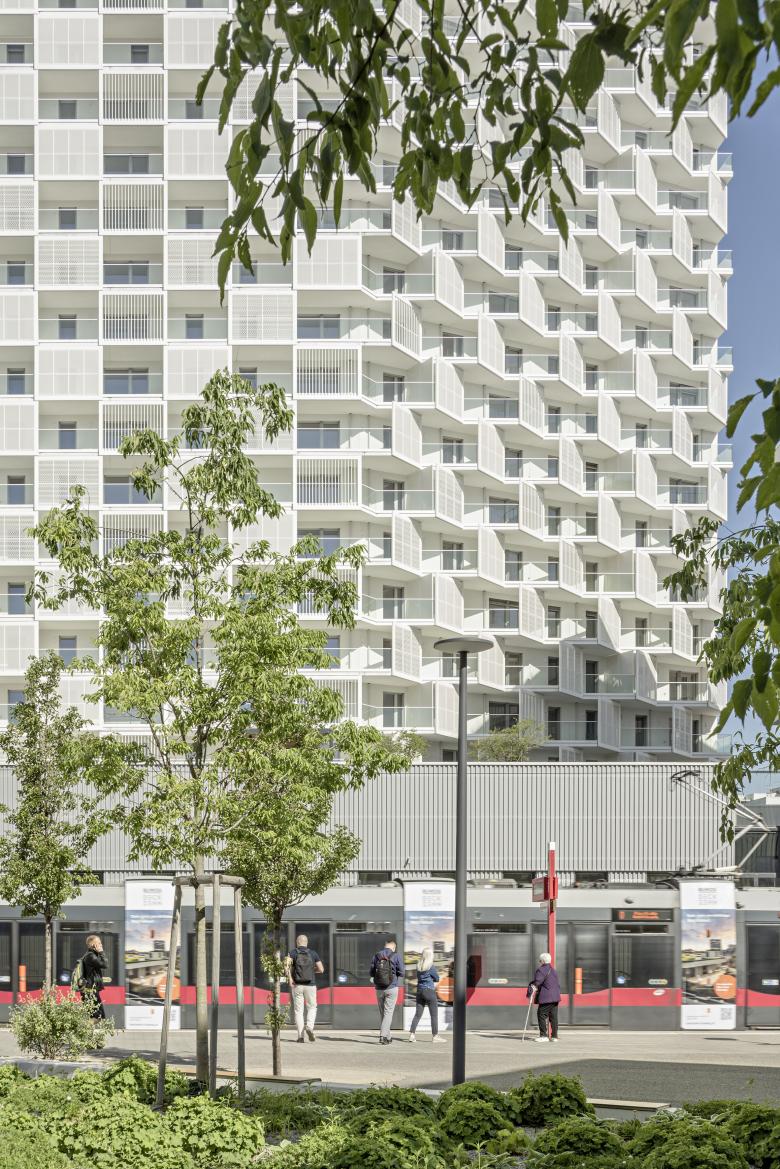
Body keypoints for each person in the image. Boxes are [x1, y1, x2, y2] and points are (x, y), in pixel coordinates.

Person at [286, 934, 324, 1043]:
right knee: (312, 1007)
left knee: (299, 1011)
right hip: (311, 985)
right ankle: (310, 1027)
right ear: (307, 942)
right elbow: (321, 969)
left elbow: (286, 967)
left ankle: (300, 1037)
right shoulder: (313, 953)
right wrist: (312, 971)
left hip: (297, 985)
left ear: (297, 942)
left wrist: (290, 979)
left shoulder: (292, 953)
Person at [408, 947, 446, 1044]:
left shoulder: (418, 965)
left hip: (419, 991)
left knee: (417, 1014)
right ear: (430, 955)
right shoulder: (430, 966)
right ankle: (435, 1036)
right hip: (429, 991)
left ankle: (412, 1035)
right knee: (434, 1015)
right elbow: (437, 978)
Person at [370, 938, 404, 1045]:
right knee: (388, 1013)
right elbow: (402, 972)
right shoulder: (396, 956)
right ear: (393, 947)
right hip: (392, 987)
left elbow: (371, 972)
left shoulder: (376, 955)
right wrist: (394, 973)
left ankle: (388, 1037)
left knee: (383, 1014)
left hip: (379, 988)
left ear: (385, 946)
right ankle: (383, 1036)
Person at [527, 951, 561, 1042]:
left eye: (540, 960)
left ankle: (543, 1036)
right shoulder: (553, 970)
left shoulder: (541, 970)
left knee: (541, 1014)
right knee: (553, 1016)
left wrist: (532, 987)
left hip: (547, 997)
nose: (539, 962)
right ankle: (554, 1036)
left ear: (542, 961)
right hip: (555, 997)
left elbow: (537, 982)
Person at [80, 934, 108, 1021]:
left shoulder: (92, 955)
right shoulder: (90, 956)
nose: (101, 945)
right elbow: (105, 964)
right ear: (93, 945)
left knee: (98, 1017)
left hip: (91, 990)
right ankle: (83, 1029)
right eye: (99, 943)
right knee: (96, 1017)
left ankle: (86, 1029)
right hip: (90, 991)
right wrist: (101, 952)